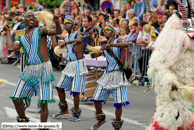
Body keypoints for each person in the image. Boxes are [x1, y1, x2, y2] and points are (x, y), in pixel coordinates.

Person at [3, 10, 62, 124]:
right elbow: (11, 48)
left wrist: (56, 21)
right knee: (16, 98)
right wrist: (8, 31)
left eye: (33, 17)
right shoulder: (22, 37)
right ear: (24, 20)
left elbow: (57, 31)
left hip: (44, 70)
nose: (31, 18)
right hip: (29, 71)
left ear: (36, 20)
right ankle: (23, 120)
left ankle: (42, 126)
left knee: (43, 102)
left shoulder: (41, 30)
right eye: (28, 16)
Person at [148, 0, 194, 129]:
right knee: (171, 121)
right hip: (174, 96)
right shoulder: (167, 45)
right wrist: (169, 82)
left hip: (190, 96)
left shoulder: (191, 50)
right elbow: (157, 66)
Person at [89, 21, 130, 130]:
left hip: (118, 75)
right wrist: (92, 39)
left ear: (113, 32)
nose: (106, 31)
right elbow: (93, 55)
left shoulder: (118, 41)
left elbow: (126, 44)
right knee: (96, 98)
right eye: (105, 30)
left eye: (108, 30)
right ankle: (101, 118)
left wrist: (110, 45)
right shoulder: (103, 46)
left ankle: (117, 125)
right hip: (107, 76)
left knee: (118, 103)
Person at [53, 14, 88, 122]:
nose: (67, 25)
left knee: (75, 91)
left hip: (78, 64)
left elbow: (78, 39)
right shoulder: (66, 37)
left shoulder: (77, 33)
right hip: (69, 65)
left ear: (73, 25)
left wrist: (67, 42)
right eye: (66, 23)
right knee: (59, 87)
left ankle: (76, 114)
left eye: (69, 23)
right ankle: (64, 109)